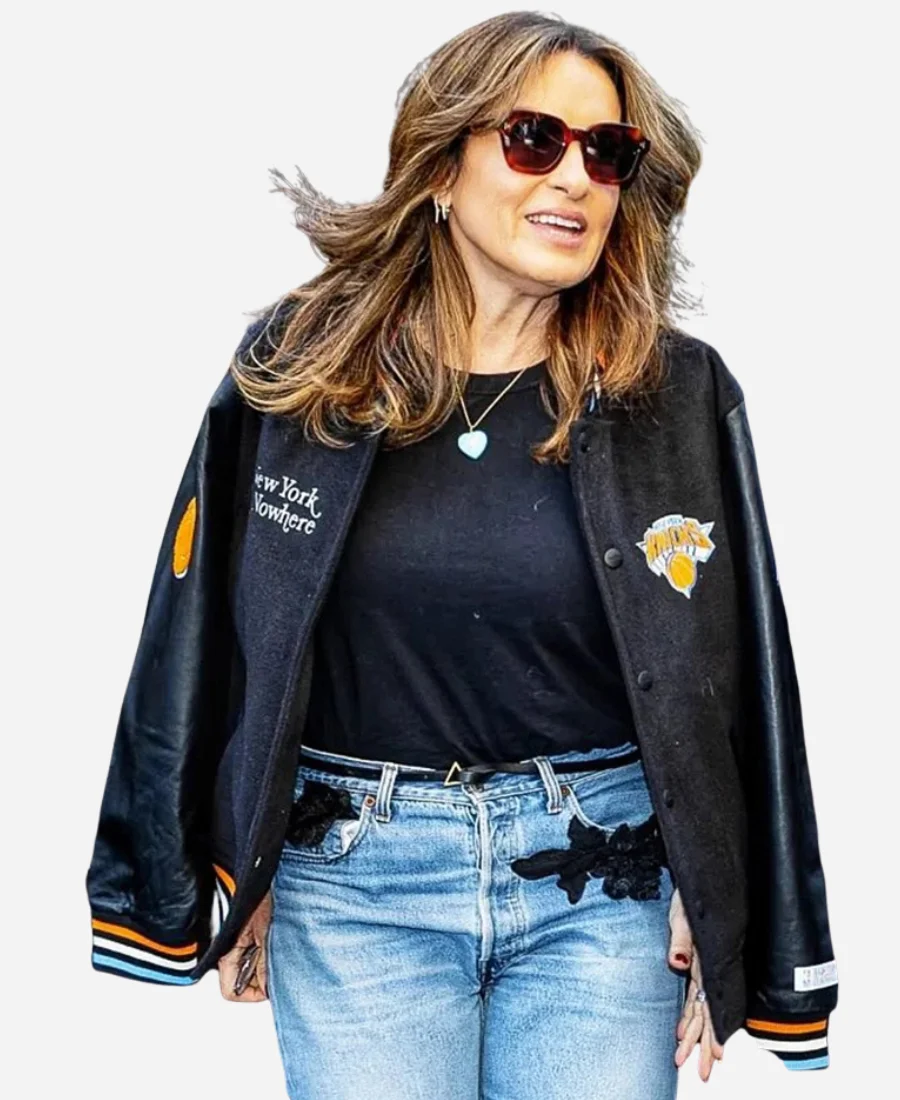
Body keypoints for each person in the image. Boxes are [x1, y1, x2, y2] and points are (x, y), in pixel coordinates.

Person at [84, 11, 838, 1099]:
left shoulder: (676, 392)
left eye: (607, 152)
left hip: (605, 888)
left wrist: (717, 891)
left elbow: (739, 672)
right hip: (356, 889)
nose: (574, 176)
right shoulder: (301, 371)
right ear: (441, 166)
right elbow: (204, 629)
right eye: (535, 139)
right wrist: (224, 855)